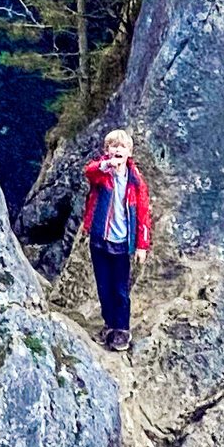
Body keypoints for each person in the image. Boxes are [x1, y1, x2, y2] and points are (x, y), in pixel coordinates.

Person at [79, 127, 153, 353]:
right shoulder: (102, 174)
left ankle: (122, 329)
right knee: (103, 286)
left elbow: (143, 215)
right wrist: (104, 166)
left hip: (121, 244)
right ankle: (109, 325)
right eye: (113, 146)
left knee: (120, 288)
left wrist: (142, 246)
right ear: (107, 150)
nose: (118, 150)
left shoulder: (135, 182)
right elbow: (89, 171)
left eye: (122, 147)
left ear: (129, 153)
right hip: (100, 240)